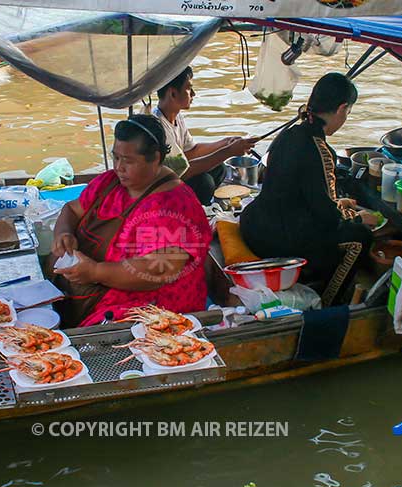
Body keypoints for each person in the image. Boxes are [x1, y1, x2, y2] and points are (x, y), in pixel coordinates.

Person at [50, 114, 212, 327]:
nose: (119, 167)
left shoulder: (173, 207)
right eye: (116, 157)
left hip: (152, 303)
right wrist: (64, 233)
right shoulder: (110, 182)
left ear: (155, 158)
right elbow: (71, 209)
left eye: (128, 161)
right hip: (88, 285)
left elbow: (158, 271)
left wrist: (96, 272)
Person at [239, 73, 377, 306]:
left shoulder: (290, 133)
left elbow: (295, 192)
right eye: (348, 113)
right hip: (276, 241)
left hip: (254, 224)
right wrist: (357, 218)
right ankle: (327, 303)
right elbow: (328, 218)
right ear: (342, 108)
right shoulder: (320, 152)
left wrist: (339, 203)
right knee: (359, 239)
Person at [153, 66, 257, 205]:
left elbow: (191, 151)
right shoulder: (157, 126)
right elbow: (182, 172)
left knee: (219, 168)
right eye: (189, 88)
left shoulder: (176, 116)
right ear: (172, 94)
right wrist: (228, 151)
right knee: (204, 182)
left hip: (177, 175)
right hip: (162, 189)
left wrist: (226, 143)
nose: (194, 94)